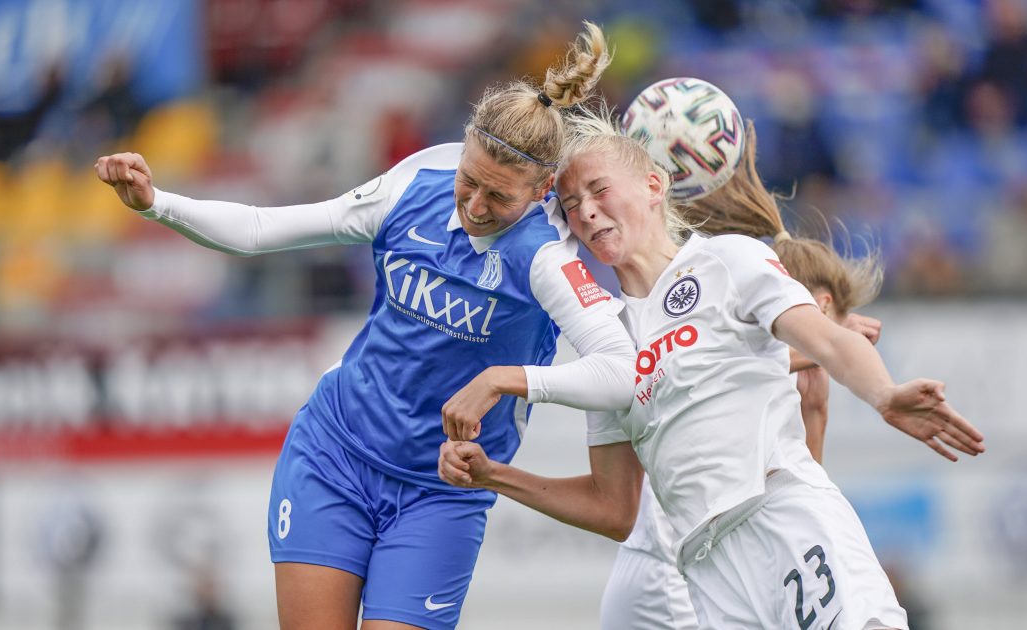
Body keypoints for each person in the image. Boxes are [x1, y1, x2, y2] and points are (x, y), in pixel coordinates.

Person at [96, 23, 638, 630]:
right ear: (460, 150)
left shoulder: (546, 258)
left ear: (542, 191)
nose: (476, 205)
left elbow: (622, 371)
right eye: (470, 181)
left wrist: (507, 380)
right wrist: (157, 204)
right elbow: (259, 230)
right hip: (334, 454)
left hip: (439, 491)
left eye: (500, 197)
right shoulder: (412, 186)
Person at [439, 113, 985, 628]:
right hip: (707, 573)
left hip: (784, 521)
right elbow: (613, 507)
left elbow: (831, 340)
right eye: (571, 202)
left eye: (600, 190)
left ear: (654, 187)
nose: (585, 210)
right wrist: (493, 476)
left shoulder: (728, 260)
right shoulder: (607, 347)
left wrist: (884, 394)